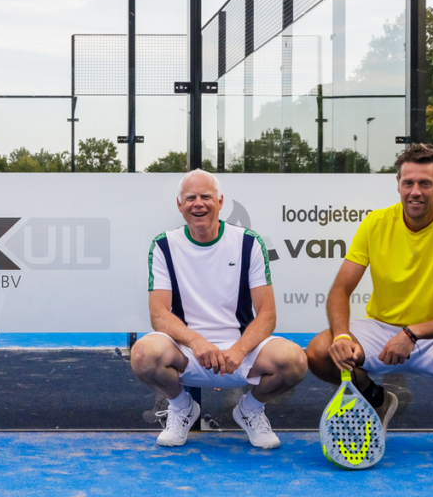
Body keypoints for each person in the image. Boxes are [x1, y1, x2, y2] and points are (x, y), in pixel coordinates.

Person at [306, 143, 433, 458]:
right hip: (380, 328)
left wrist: (412, 333)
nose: (415, 191)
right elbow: (340, 289)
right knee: (319, 352)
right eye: (408, 183)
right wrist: (340, 334)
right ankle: (376, 401)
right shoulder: (375, 223)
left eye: (425, 183)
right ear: (398, 184)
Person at [130, 169, 307, 450]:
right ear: (179, 205)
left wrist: (238, 350)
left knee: (295, 361)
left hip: (241, 351)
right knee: (142, 354)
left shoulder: (249, 242)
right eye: (190, 198)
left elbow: (267, 315)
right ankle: (182, 408)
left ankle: (250, 409)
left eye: (206, 197)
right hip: (187, 351)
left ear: (220, 201)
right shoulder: (164, 245)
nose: (198, 203)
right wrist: (197, 343)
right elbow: (159, 314)